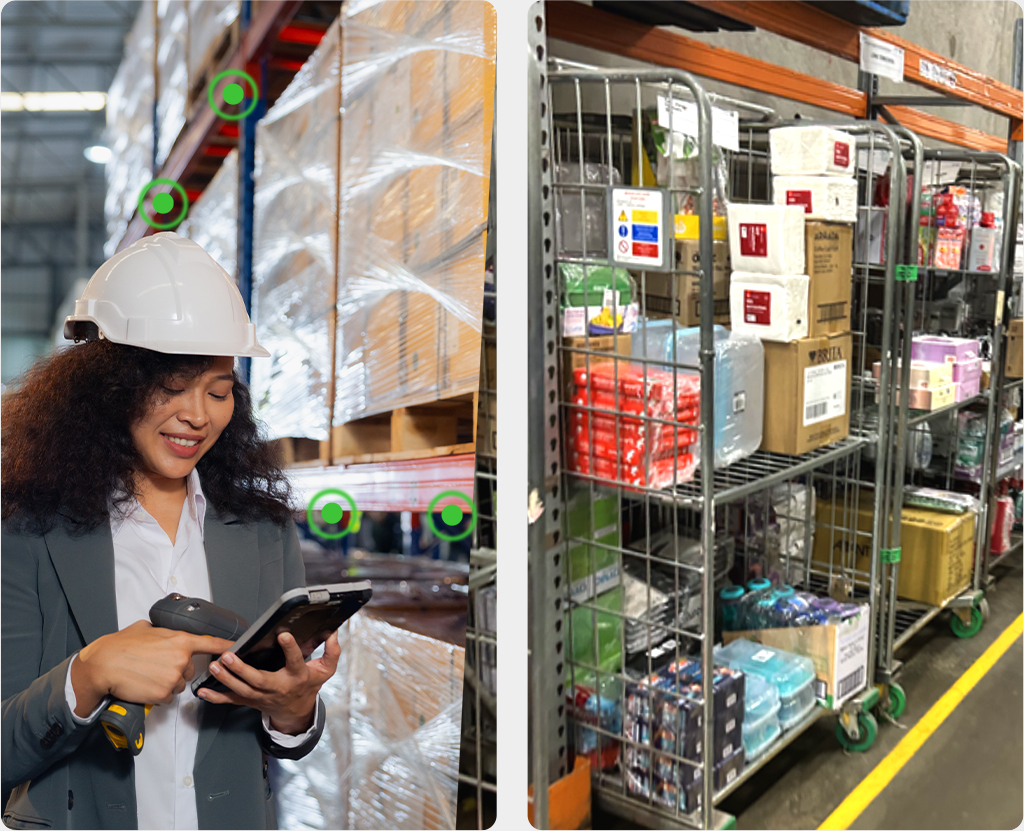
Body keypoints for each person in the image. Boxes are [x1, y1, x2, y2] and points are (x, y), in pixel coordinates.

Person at [1, 233, 336, 830]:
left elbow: (282, 741)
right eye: (172, 386)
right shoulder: (28, 533)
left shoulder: (262, 532)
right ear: (106, 387)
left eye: (219, 391)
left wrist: (294, 709)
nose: (198, 416)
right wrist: (89, 672)